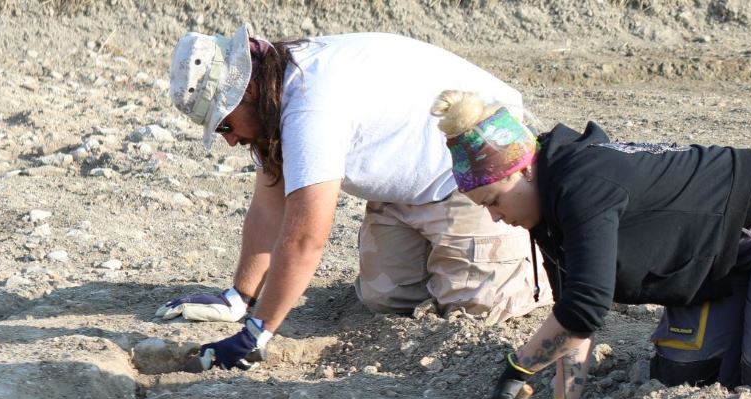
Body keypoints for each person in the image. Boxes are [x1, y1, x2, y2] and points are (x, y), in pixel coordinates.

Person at [427, 91, 751, 399]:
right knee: (684, 376)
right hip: (712, 254)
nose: (495, 217)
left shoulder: (581, 186)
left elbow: (584, 308)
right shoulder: (544, 207)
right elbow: (574, 316)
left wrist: (516, 370)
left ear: (524, 170)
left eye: (495, 201)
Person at [157, 25, 547, 370]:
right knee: (386, 297)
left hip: (473, 169)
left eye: (225, 123)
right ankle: (448, 252)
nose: (229, 138)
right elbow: (268, 204)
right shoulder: (275, 92)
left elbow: (305, 239)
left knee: (475, 306)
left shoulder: (311, 106)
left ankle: (544, 261)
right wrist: (239, 298)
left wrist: (256, 333)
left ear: (250, 88)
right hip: (404, 179)